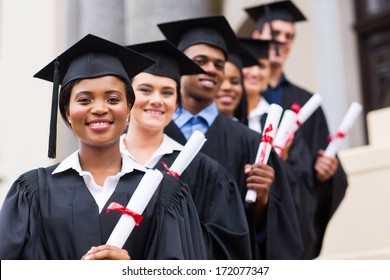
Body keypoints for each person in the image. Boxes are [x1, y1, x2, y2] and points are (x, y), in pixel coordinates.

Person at [0, 34, 207, 260]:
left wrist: (131, 272)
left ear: (129, 108)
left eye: (112, 99)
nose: (99, 108)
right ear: (67, 111)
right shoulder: (32, 193)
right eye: (84, 100)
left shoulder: (166, 194)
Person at [158, 16, 303, 259]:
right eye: (200, 61)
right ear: (180, 65)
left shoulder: (249, 141)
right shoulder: (153, 132)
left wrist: (264, 196)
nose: (212, 70)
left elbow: (265, 232)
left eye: (219, 64)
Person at [123, 39, 252, 259]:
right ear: (127, 96)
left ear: (176, 101)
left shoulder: (207, 171)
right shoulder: (99, 163)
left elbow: (226, 251)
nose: (157, 100)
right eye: (145, 90)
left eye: (167, 93)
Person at [245, 0, 349, 259]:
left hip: (294, 216)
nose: (282, 41)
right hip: (249, 213)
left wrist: (328, 172)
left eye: (289, 36)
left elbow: (322, 160)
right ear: (257, 36)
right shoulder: (241, 94)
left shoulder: (306, 102)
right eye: (276, 33)